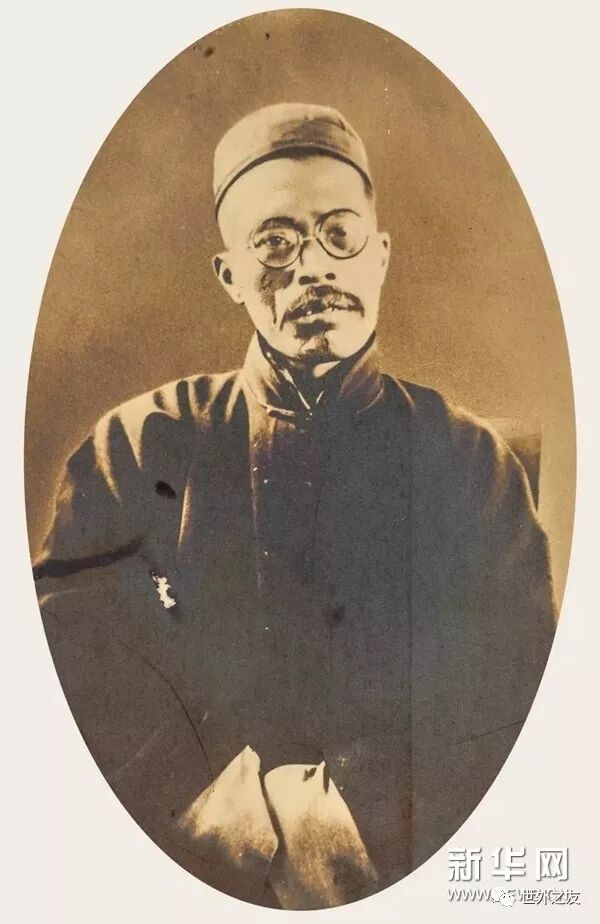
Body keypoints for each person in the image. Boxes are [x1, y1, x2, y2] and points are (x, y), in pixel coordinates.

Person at [33, 103, 557, 909]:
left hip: (401, 865)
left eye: (339, 234)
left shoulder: (469, 461)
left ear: (380, 257)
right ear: (230, 276)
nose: (314, 268)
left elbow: (510, 688)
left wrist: (338, 819)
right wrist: (222, 816)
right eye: (275, 244)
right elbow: (66, 658)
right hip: (178, 861)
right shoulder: (136, 447)